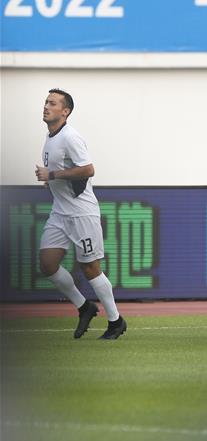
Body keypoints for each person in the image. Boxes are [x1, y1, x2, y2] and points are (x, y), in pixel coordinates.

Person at [35, 88, 126, 340]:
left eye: (52, 103)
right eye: (46, 102)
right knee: (48, 264)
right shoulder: (50, 136)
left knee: (90, 268)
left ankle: (116, 321)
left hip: (81, 213)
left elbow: (88, 169)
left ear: (65, 112)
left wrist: (52, 175)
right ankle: (84, 306)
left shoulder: (70, 137)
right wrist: (50, 179)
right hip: (60, 212)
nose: (46, 106)